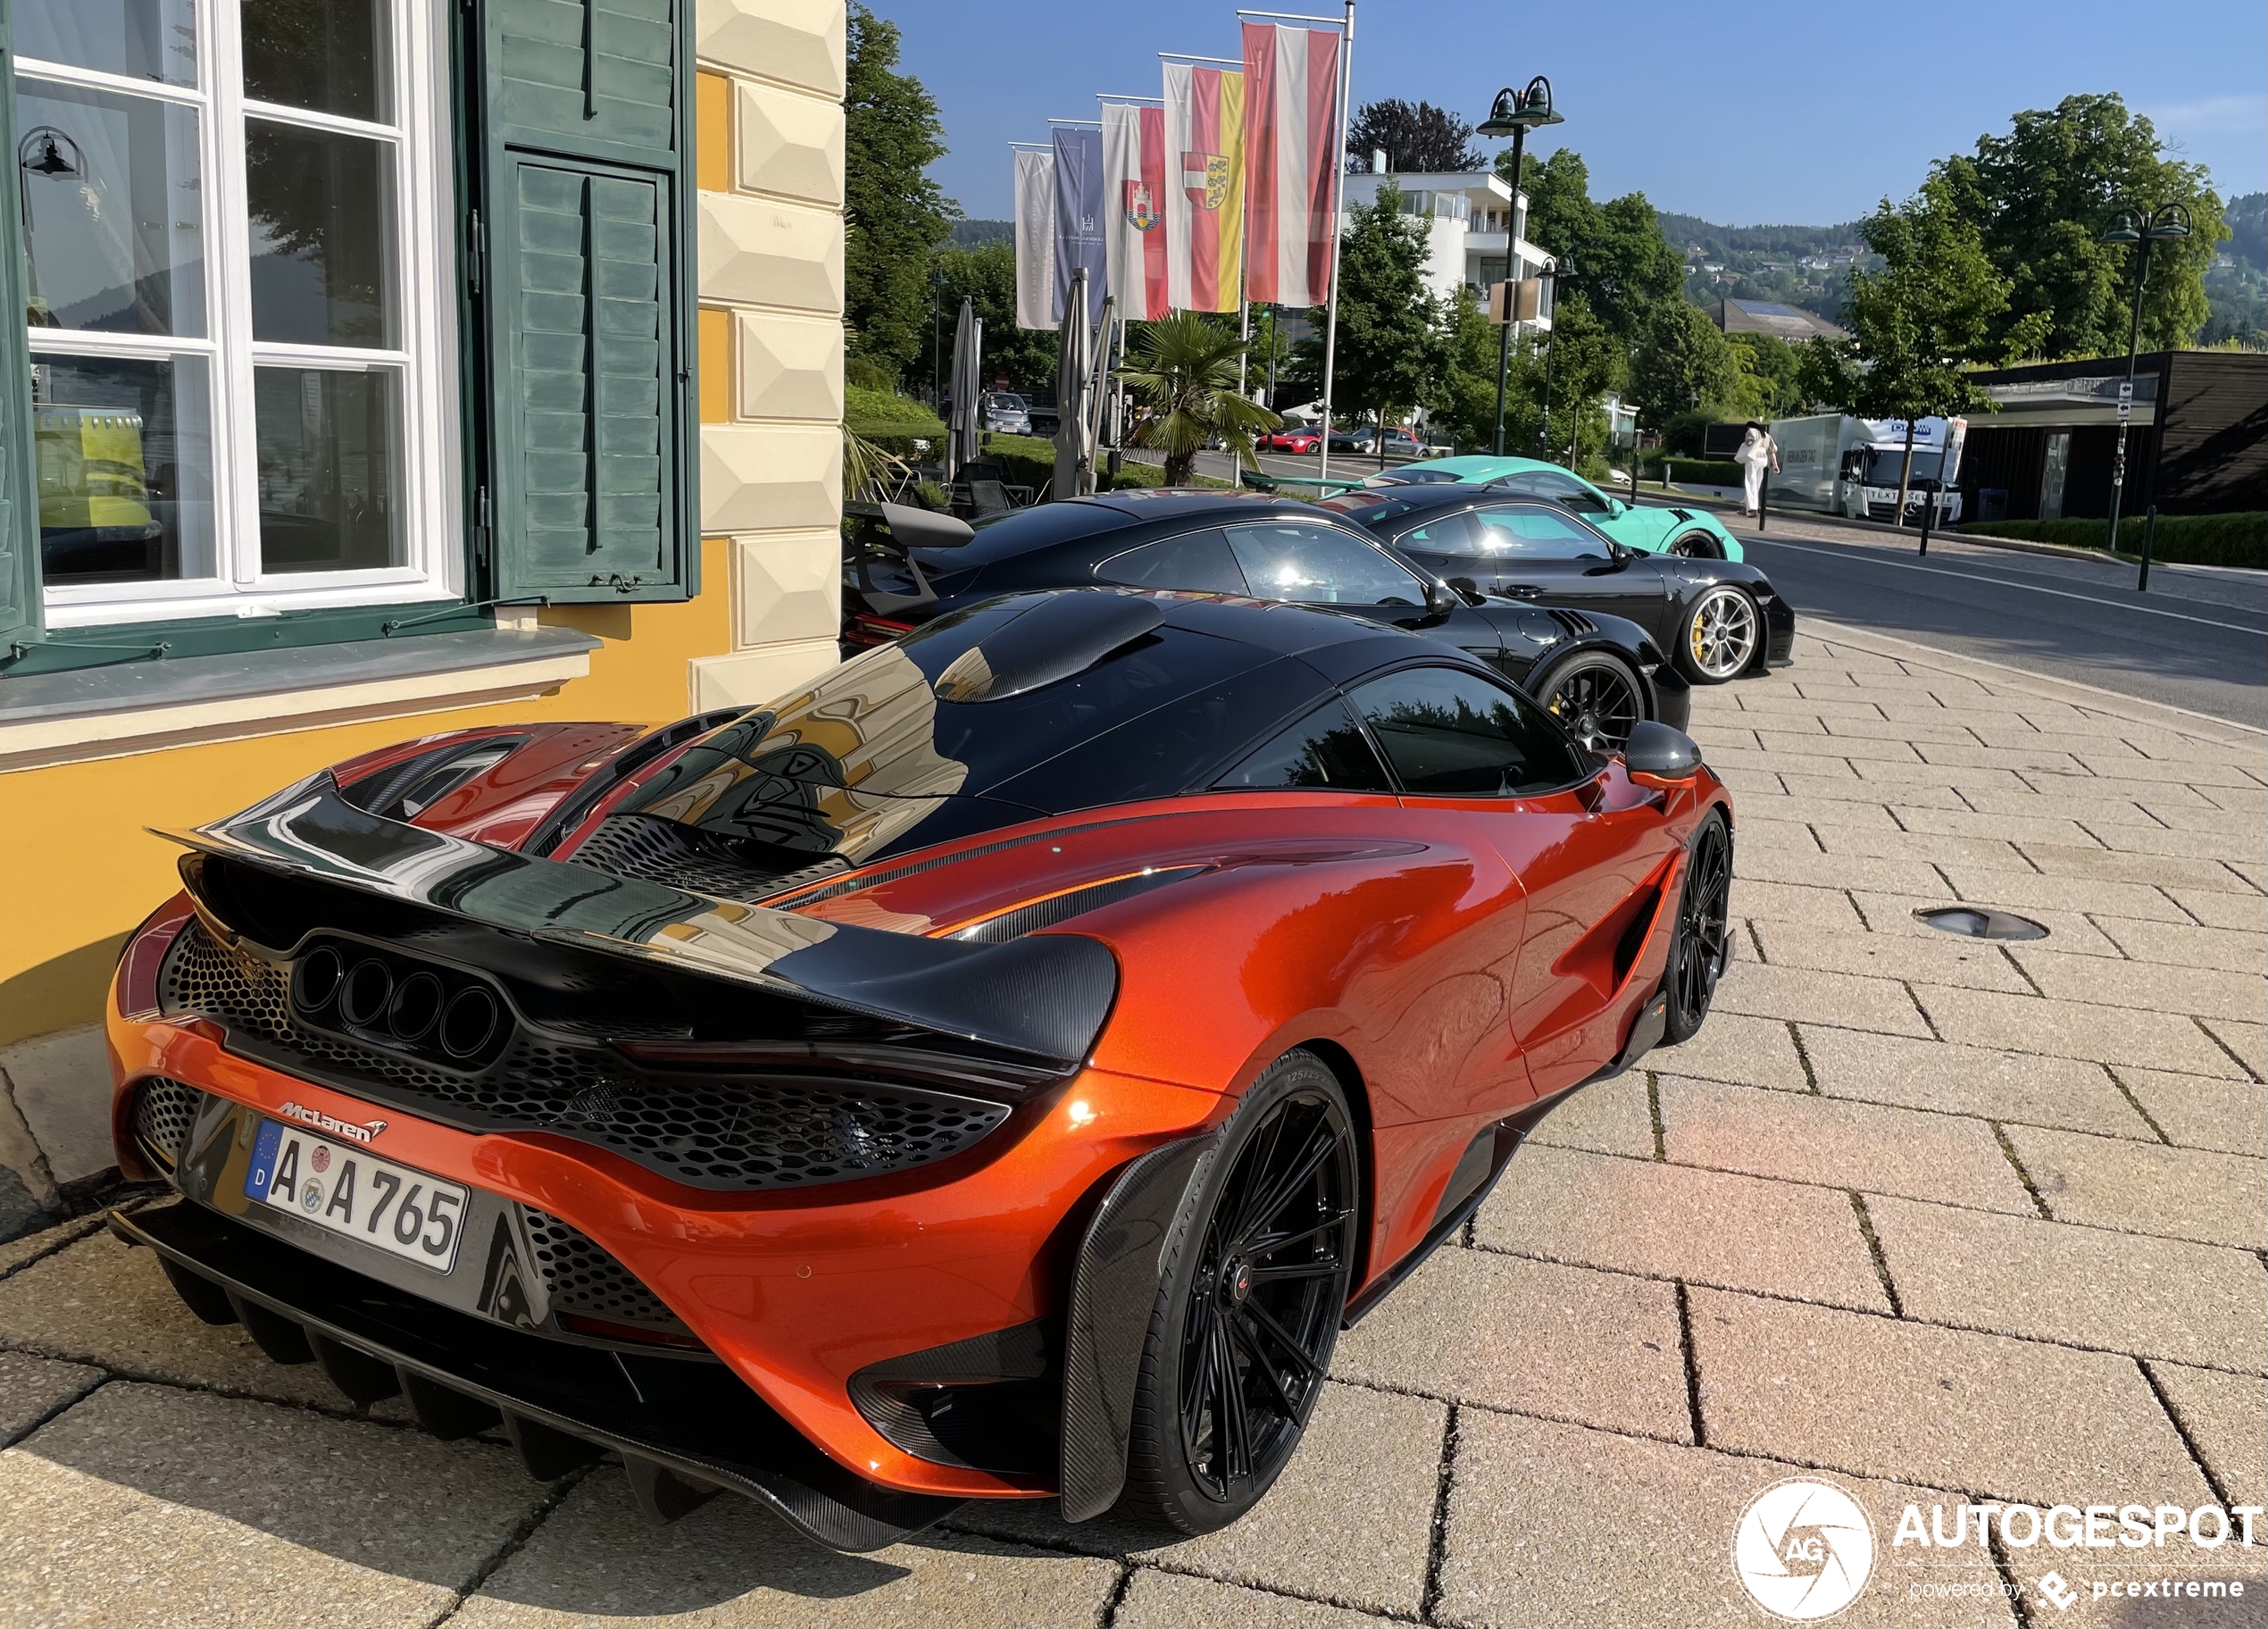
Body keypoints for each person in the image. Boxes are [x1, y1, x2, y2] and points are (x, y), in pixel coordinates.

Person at [1736, 421, 1779, 517]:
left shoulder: (1751, 431)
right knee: (1757, 484)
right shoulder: (1766, 435)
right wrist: (1775, 465)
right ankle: (1746, 507)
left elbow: (1749, 443)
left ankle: (1752, 509)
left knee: (1750, 483)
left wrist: (1746, 442)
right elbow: (1772, 450)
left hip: (1753, 458)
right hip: (1763, 460)